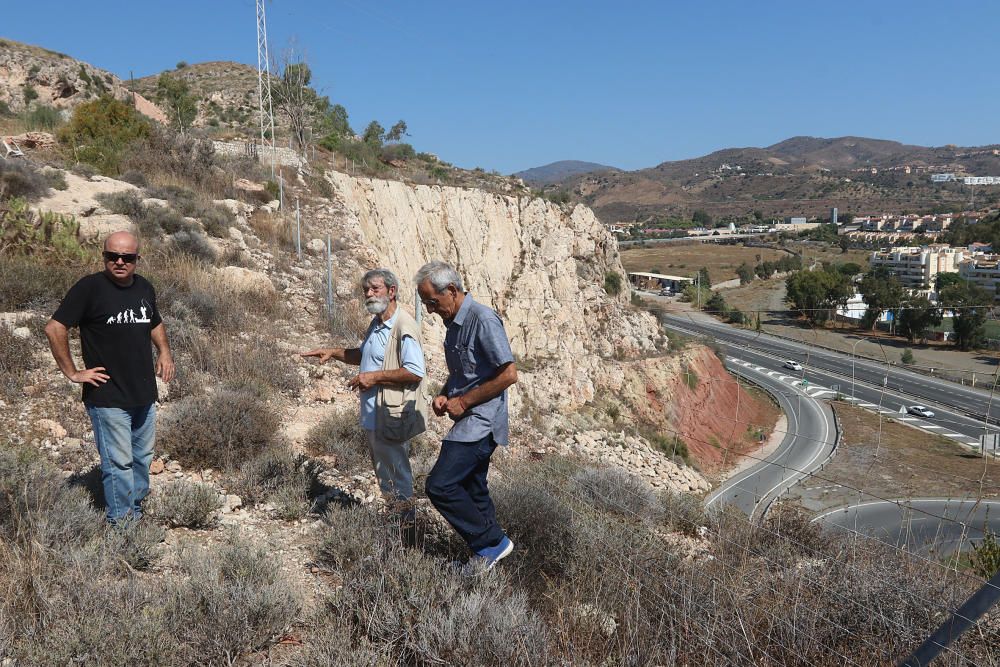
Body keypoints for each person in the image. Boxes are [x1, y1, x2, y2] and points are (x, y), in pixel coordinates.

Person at [44, 231, 174, 524]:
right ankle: (123, 526)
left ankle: (136, 512)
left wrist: (164, 352)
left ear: (137, 259)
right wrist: (72, 372)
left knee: (141, 459)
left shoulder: (144, 287)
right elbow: (55, 328)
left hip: (143, 393)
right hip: (107, 396)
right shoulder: (90, 288)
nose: (119, 262)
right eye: (111, 256)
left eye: (126, 257)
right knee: (118, 464)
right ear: (103, 256)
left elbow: (154, 321)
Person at [300, 268, 428, 528]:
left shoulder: (403, 326)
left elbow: (414, 372)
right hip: (375, 415)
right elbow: (365, 355)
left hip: (390, 415)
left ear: (391, 292)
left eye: (375, 289)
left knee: (396, 476)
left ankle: (407, 533)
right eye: (366, 290)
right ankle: (397, 526)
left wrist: (373, 378)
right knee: (385, 474)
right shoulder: (378, 323)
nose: (369, 294)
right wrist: (333, 352)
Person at [414, 260, 518, 571]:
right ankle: (492, 562)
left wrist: (465, 401)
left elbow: (509, 374)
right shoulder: (454, 325)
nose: (431, 310)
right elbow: (463, 373)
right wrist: (447, 393)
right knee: (474, 488)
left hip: (482, 422)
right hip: (469, 418)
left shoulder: (483, 320)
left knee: (440, 485)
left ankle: (493, 542)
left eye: (432, 302)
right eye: (425, 304)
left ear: (452, 291)